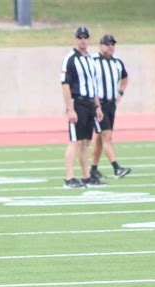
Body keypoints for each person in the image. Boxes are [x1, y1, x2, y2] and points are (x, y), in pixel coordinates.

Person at [61, 26, 106, 189]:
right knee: (75, 140)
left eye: (85, 37)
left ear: (89, 39)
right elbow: (64, 85)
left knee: (86, 142)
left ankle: (86, 176)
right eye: (80, 37)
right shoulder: (70, 59)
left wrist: (98, 107)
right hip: (77, 102)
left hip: (89, 104)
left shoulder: (90, 59)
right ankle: (69, 177)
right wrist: (70, 108)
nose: (82, 40)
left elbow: (93, 85)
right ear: (75, 39)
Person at [90, 34, 131, 179]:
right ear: (100, 46)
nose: (110, 47)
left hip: (111, 105)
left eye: (112, 44)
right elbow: (88, 82)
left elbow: (125, 78)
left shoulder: (117, 62)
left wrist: (120, 93)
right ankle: (116, 168)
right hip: (98, 104)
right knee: (107, 135)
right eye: (107, 44)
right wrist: (95, 106)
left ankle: (93, 169)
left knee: (100, 138)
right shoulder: (92, 61)